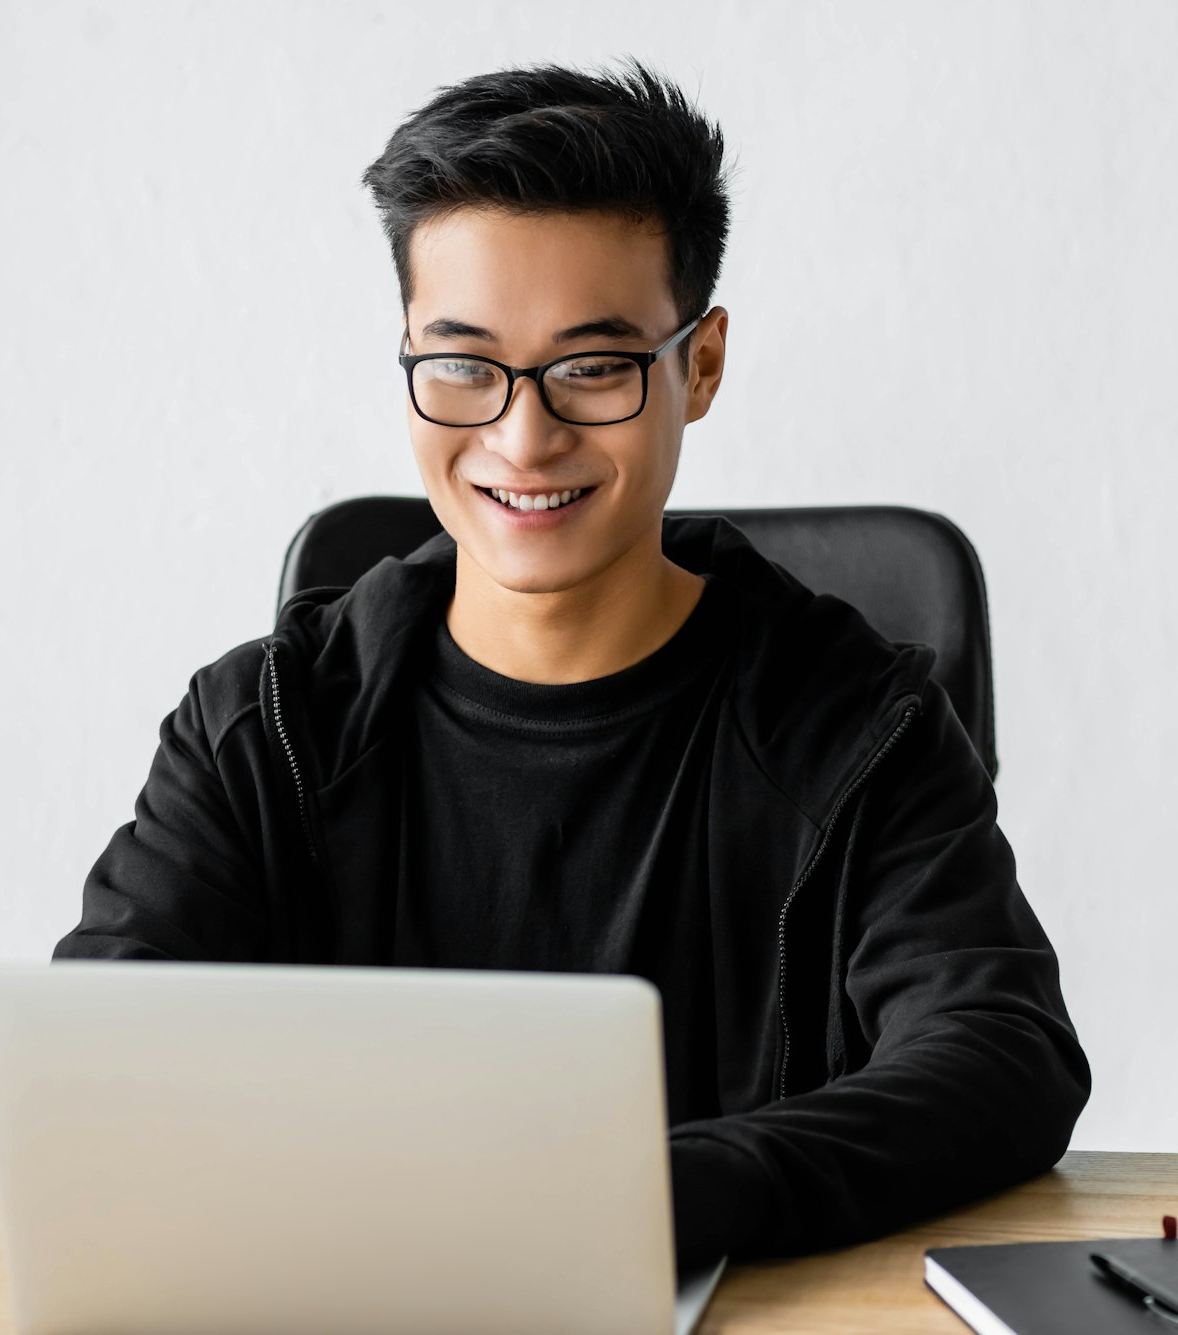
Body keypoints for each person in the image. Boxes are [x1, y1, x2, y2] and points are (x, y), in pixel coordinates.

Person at [55, 56, 1090, 1270]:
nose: (521, 434)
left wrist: (654, 1199)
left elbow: (999, 1054)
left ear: (696, 367)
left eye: (592, 367)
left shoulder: (854, 723)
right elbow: (95, 1063)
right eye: (461, 363)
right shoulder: (265, 722)